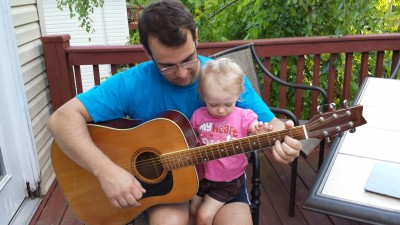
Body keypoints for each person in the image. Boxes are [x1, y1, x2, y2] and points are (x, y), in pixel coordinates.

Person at [47, 0, 302, 225]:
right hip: (167, 186)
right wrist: (105, 171)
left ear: (196, 37)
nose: (181, 73)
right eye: (167, 65)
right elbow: (61, 120)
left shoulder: (222, 79)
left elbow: (272, 126)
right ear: (147, 52)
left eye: (188, 59)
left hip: (222, 183)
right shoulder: (131, 83)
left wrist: (282, 141)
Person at [189, 58, 273, 225]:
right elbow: (189, 138)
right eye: (213, 104)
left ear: (239, 93)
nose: (220, 110)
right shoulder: (199, 115)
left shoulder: (243, 116)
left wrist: (259, 130)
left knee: (204, 216)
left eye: (228, 104)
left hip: (228, 182)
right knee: (192, 210)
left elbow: (254, 126)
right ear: (203, 96)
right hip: (202, 177)